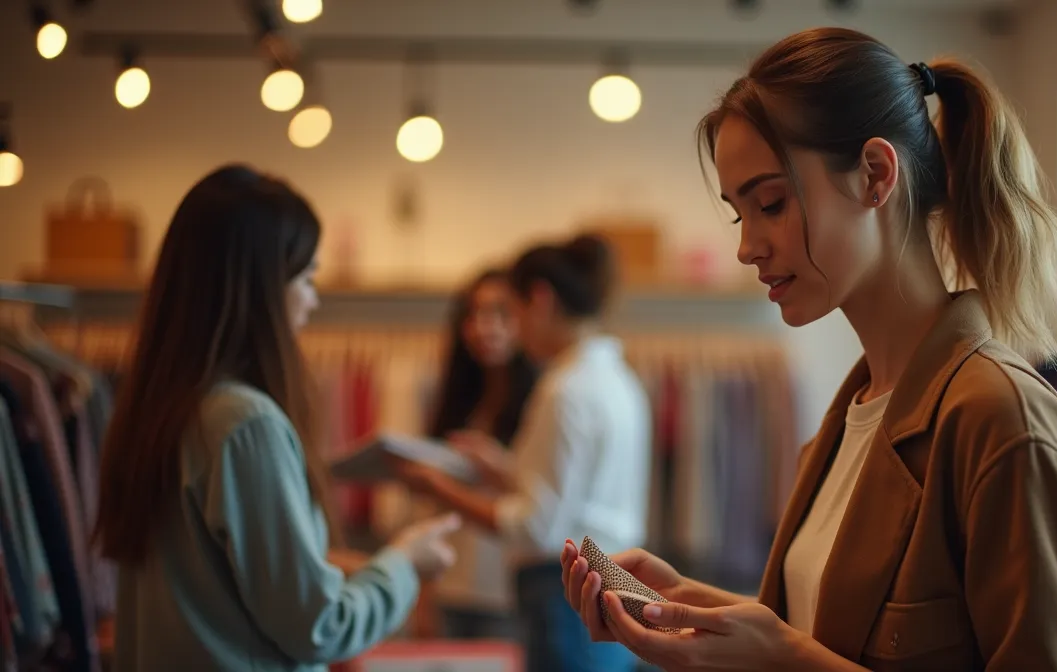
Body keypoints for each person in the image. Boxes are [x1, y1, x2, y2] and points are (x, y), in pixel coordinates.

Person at [560, 27, 1057, 671]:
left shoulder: (1000, 418)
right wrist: (695, 606)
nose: (747, 247)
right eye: (740, 214)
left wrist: (783, 659)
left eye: (771, 203)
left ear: (876, 174)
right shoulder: (846, 422)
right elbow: (836, 634)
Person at [93, 165, 461, 671]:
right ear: (260, 287)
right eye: (306, 278)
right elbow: (318, 625)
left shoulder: (157, 410)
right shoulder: (245, 424)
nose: (314, 298)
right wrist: (405, 564)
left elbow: (220, 583)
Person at [395, 234, 650, 672]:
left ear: (540, 300)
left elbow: (538, 527)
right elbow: (576, 496)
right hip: (608, 578)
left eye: (512, 312)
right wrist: (505, 471)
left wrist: (438, 486)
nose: (512, 328)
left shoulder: (565, 390)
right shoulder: (617, 379)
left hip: (566, 590)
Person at [424, 269, 538, 640]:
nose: (484, 327)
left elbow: (544, 503)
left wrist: (499, 467)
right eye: (474, 314)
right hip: (452, 584)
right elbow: (433, 510)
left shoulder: (545, 401)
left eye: (500, 313)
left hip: (509, 591)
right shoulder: (460, 401)